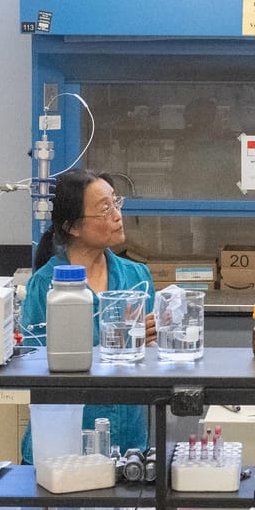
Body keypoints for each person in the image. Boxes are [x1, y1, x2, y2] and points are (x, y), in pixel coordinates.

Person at [21, 169, 156, 461]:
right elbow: (33, 364)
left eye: (116, 203)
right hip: (62, 443)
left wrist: (154, 341)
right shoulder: (45, 285)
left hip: (128, 442)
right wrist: (115, 346)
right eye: (105, 209)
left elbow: (152, 366)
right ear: (73, 227)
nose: (117, 215)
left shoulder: (137, 278)